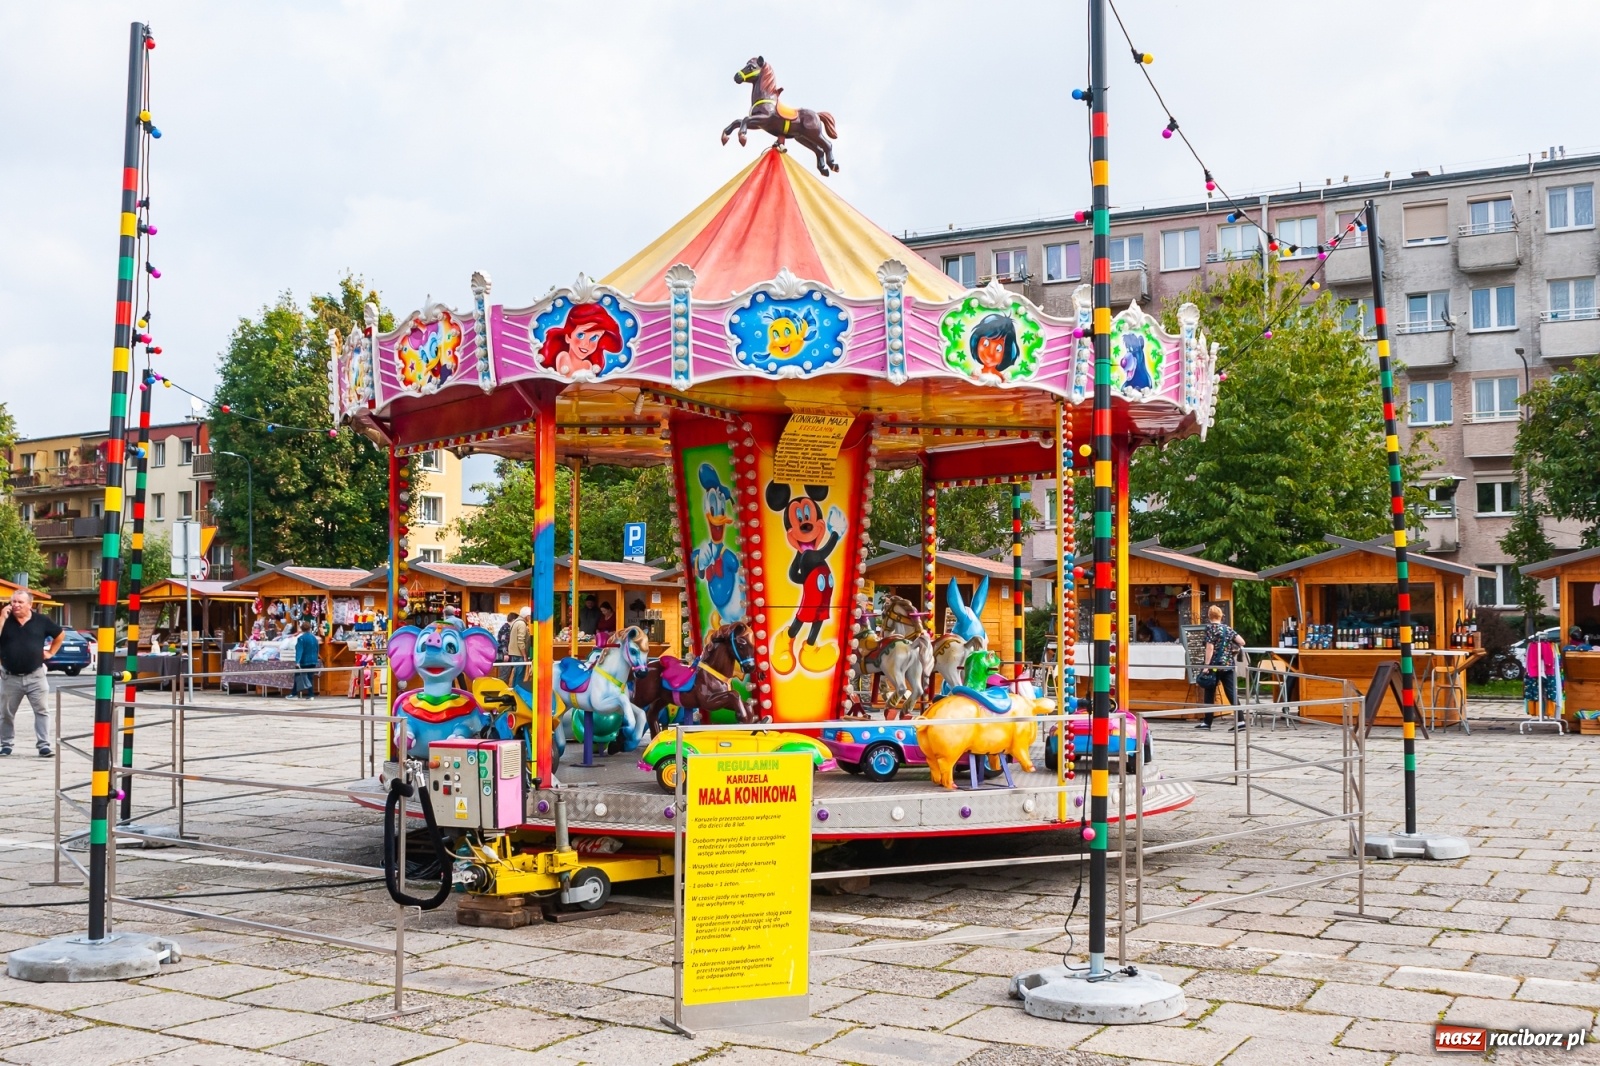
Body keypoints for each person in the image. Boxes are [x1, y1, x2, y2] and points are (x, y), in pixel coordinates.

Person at [0, 589, 60, 757]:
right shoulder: (5, 621)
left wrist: (51, 652)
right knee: (6, 713)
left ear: (30, 604)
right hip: (10, 676)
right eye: (13, 602)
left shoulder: (41, 621)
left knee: (42, 711)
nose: (16, 605)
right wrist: (2, 618)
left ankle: (44, 745)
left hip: (36, 675)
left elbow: (59, 634)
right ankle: (6, 745)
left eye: (20, 602)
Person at [1198, 604, 1245, 731]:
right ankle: (1241, 721)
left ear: (1209, 616)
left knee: (1209, 692)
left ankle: (1207, 722)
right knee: (1231, 692)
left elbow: (1210, 647)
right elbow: (1241, 641)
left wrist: (1206, 666)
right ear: (1221, 616)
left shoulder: (1210, 628)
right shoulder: (1228, 629)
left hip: (1214, 666)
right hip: (1228, 665)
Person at [290, 619, 319, 701]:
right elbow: (317, 649)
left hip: (304, 661)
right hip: (313, 660)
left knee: (298, 677)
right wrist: (316, 658)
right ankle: (311, 694)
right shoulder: (314, 638)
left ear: (301, 629)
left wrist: (297, 662)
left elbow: (299, 650)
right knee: (310, 678)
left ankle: (294, 693)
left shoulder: (301, 639)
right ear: (310, 628)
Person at [504, 606, 530, 686]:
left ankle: (514, 692)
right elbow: (520, 641)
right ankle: (517, 694)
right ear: (527, 616)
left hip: (514, 653)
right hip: (519, 654)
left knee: (516, 675)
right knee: (519, 676)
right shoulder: (522, 624)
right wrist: (524, 655)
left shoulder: (515, 622)